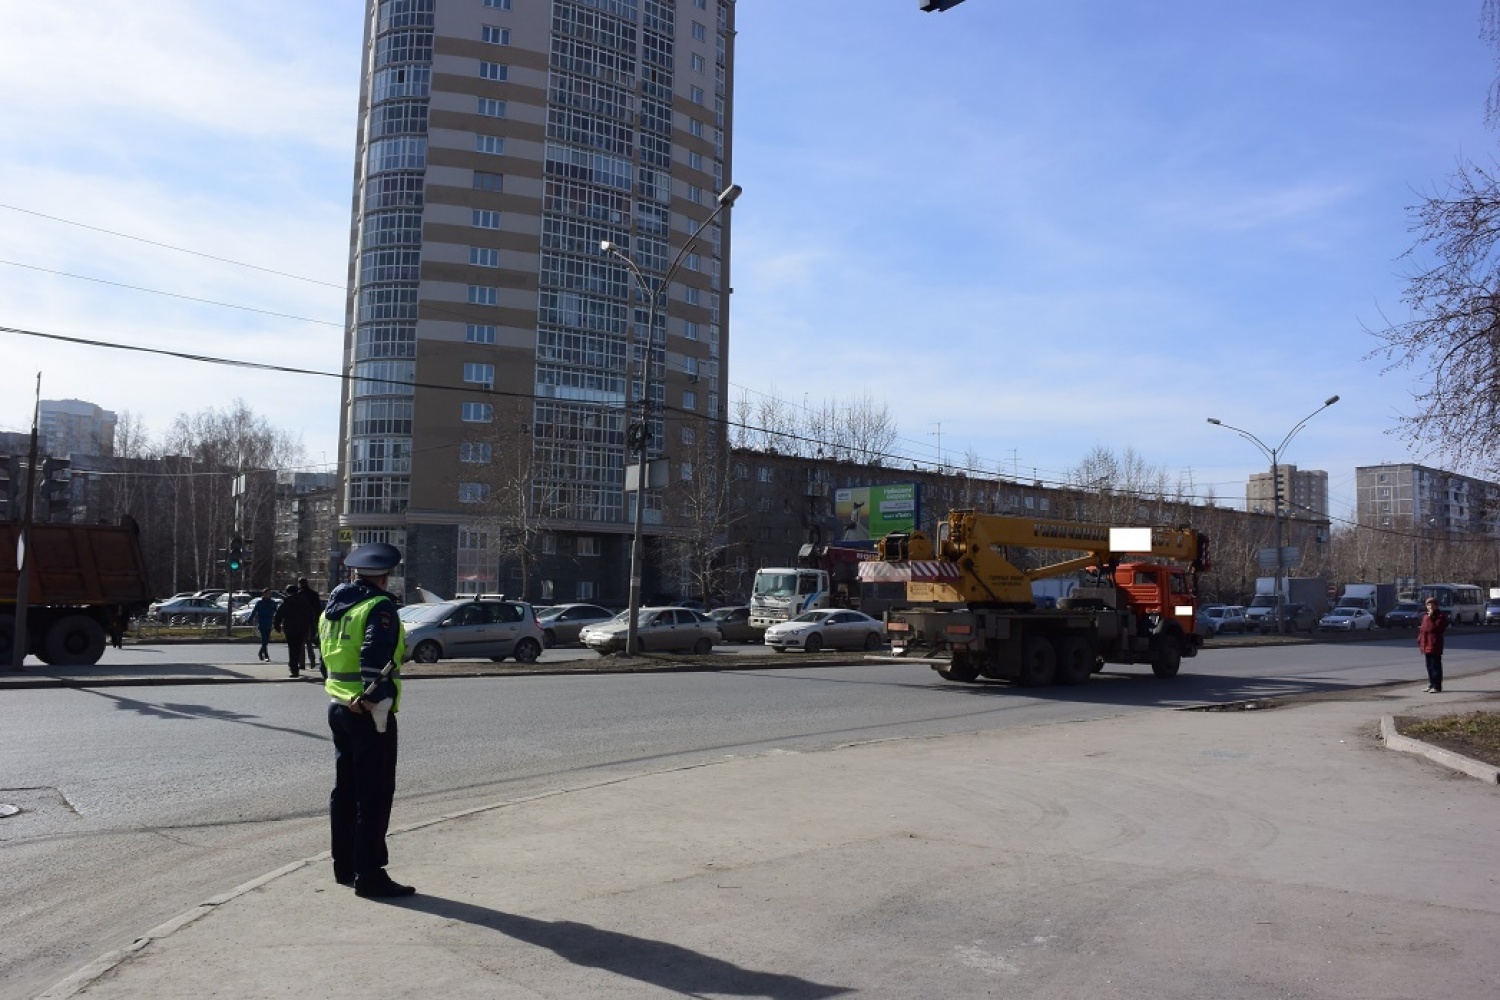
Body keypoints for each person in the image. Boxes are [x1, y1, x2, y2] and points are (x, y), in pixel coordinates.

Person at [321, 542, 413, 898]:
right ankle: (370, 874)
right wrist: (372, 695)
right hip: (368, 711)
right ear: (384, 577)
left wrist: (342, 693)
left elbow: (327, 658)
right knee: (373, 793)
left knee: (345, 790)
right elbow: (374, 652)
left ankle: (343, 865)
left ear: (355, 574)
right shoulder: (379, 606)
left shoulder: (333, 608)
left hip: (338, 705)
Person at [273, 578, 317, 678]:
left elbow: (279, 615)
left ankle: (294, 669)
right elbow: (311, 616)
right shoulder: (305, 602)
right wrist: (313, 629)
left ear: (288, 592)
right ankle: (296, 665)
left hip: (290, 628)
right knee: (298, 647)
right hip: (302, 628)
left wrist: (277, 626)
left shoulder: (287, 602)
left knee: (292, 648)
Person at [1417, 597, 1449, 693]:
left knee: (1435, 666)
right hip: (1426, 643)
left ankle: (1437, 686)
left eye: (1431, 604)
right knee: (1429, 666)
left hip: (1435, 643)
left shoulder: (1440, 616)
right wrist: (1419, 639)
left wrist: (1431, 617)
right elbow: (1423, 629)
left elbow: (1436, 628)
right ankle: (1431, 684)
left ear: (1436, 605)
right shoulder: (1425, 616)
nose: (1429, 607)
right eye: (1428, 605)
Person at [300, 579, 326, 679]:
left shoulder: (299, 594)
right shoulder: (314, 594)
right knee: (311, 642)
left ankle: (302, 663)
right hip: (313, 621)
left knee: (302, 643)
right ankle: (312, 660)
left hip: (302, 621)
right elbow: (318, 608)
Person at [250, 588, 278, 662]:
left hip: (269, 621)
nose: (269, 595)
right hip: (262, 621)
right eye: (268, 593)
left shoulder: (272, 602)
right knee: (264, 638)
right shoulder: (259, 603)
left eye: (270, 594)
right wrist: (250, 619)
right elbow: (254, 611)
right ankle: (266, 655)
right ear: (264, 594)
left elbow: (276, 611)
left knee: (267, 639)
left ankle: (260, 652)